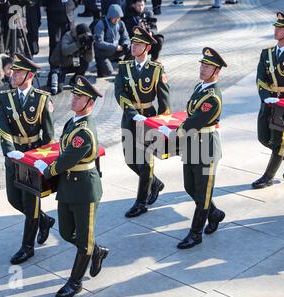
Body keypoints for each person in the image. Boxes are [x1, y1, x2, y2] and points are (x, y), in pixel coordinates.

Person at [35, 76, 109, 297]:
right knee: (67, 232)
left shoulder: (84, 131)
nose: (74, 99)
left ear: (90, 103)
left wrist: (45, 169)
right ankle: (97, 250)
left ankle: (75, 282)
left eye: (80, 97)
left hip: (84, 189)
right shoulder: (73, 122)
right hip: (69, 186)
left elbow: (67, 159)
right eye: (74, 95)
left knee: (83, 239)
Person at [159, 47, 227, 249]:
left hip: (205, 148)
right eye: (202, 65)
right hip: (192, 145)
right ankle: (214, 214)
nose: (202, 69)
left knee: (203, 193)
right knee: (191, 187)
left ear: (216, 71)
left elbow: (194, 121)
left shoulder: (213, 97)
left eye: (207, 66)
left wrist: (171, 133)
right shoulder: (200, 87)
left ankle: (196, 233)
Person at [0, 54, 55, 265]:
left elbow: (48, 136)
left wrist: (44, 161)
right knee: (14, 199)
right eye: (13, 71)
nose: (13, 75)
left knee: (31, 203)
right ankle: (45, 220)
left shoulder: (42, 99)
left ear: (29, 75)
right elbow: (2, 128)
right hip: (14, 156)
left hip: (32, 155)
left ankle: (27, 247)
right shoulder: (5, 98)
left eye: (18, 72)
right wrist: (10, 150)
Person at [114, 26, 170, 218]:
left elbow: (164, 99)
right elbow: (119, 93)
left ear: (147, 47)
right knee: (130, 159)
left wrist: (163, 123)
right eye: (132, 43)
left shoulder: (156, 69)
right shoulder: (124, 67)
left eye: (138, 44)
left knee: (146, 162)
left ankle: (141, 202)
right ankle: (155, 183)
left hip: (149, 119)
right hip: (130, 119)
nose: (133, 46)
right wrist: (131, 112)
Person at [252, 12, 284, 189]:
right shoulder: (266, 53)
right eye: (276, 27)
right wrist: (266, 98)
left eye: (280, 28)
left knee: (278, 142)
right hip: (267, 101)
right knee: (262, 137)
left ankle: (267, 177)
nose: (276, 30)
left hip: (283, 103)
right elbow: (260, 78)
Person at [49, 23, 94, 93]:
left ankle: (74, 80)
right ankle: (53, 76)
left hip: (73, 61)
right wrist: (78, 44)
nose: (85, 38)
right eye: (83, 36)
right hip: (61, 64)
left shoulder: (84, 40)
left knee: (85, 64)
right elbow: (65, 51)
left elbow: (89, 59)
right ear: (78, 35)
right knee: (58, 89)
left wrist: (90, 47)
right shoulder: (68, 36)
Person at [93, 4, 130, 77]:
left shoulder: (121, 23)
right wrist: (115, 47)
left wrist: (125, 44)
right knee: (107, 73)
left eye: (118, 18)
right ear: (110, 16)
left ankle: (125, 68)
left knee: (131, 49)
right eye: (115, 18)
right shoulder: (101, 24)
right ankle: (100, 66)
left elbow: (126, 37)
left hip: (117, 50)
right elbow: (99, 43)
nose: (117, 20)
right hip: (103, 53)